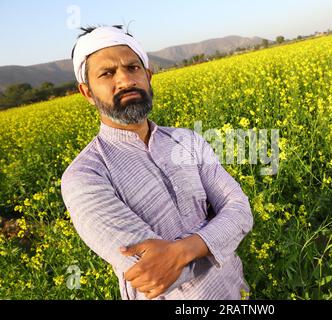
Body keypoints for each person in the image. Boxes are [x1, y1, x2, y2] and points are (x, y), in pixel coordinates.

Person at [61, 25, 254, 300]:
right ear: (87, 92)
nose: (126, 80)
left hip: (237, 292)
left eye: (133, 67)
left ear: (148, 76)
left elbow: (240, 211)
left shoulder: (187, 140)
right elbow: (153, 274)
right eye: (107, 73)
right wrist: (217, 235)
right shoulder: (85, 176)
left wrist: (183, 250)